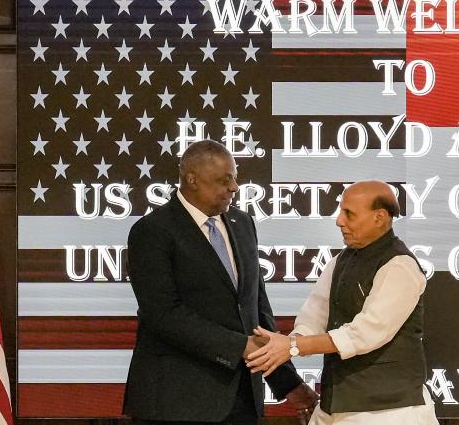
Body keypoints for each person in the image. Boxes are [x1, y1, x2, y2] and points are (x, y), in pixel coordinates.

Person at [124, 139, 317, 424]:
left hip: (240, 402)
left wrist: (287, 383)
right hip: (175, 403)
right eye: (224, 180)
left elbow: (256, 310)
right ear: (192, 180)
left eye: (235, 178)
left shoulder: (242, 224)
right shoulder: (152, 231)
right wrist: (238, 346)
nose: (234, 188)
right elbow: (162, 314)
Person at [245, 180, 439, 424]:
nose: (339, 221)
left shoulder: (400, 266)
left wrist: (293, 346)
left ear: (379, 217)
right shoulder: (341, 261)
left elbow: (366, 333)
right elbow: (314, 314)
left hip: (388, 411)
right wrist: (288, 343)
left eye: (349, 214)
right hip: (335, 405)